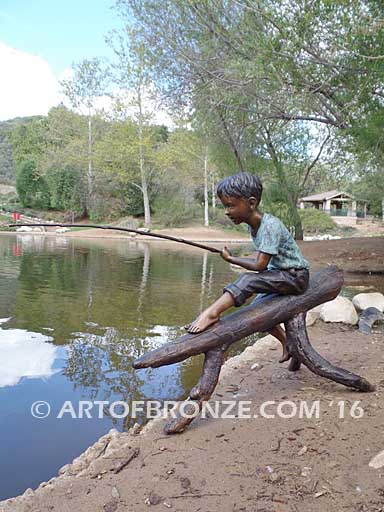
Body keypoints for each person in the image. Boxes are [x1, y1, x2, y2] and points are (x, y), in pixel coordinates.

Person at [185, 172, 310, 363]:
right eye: (225, 205)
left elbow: (260, 266)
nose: (227, 211)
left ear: (251, 203)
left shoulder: (269, 226)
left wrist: (232, 259)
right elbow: (264, 260)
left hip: (295, 277)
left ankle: (211, 314)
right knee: (257, 312)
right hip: (280, 274)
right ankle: (287, 343)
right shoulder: (254, 226)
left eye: (231, 205)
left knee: (247, 280)